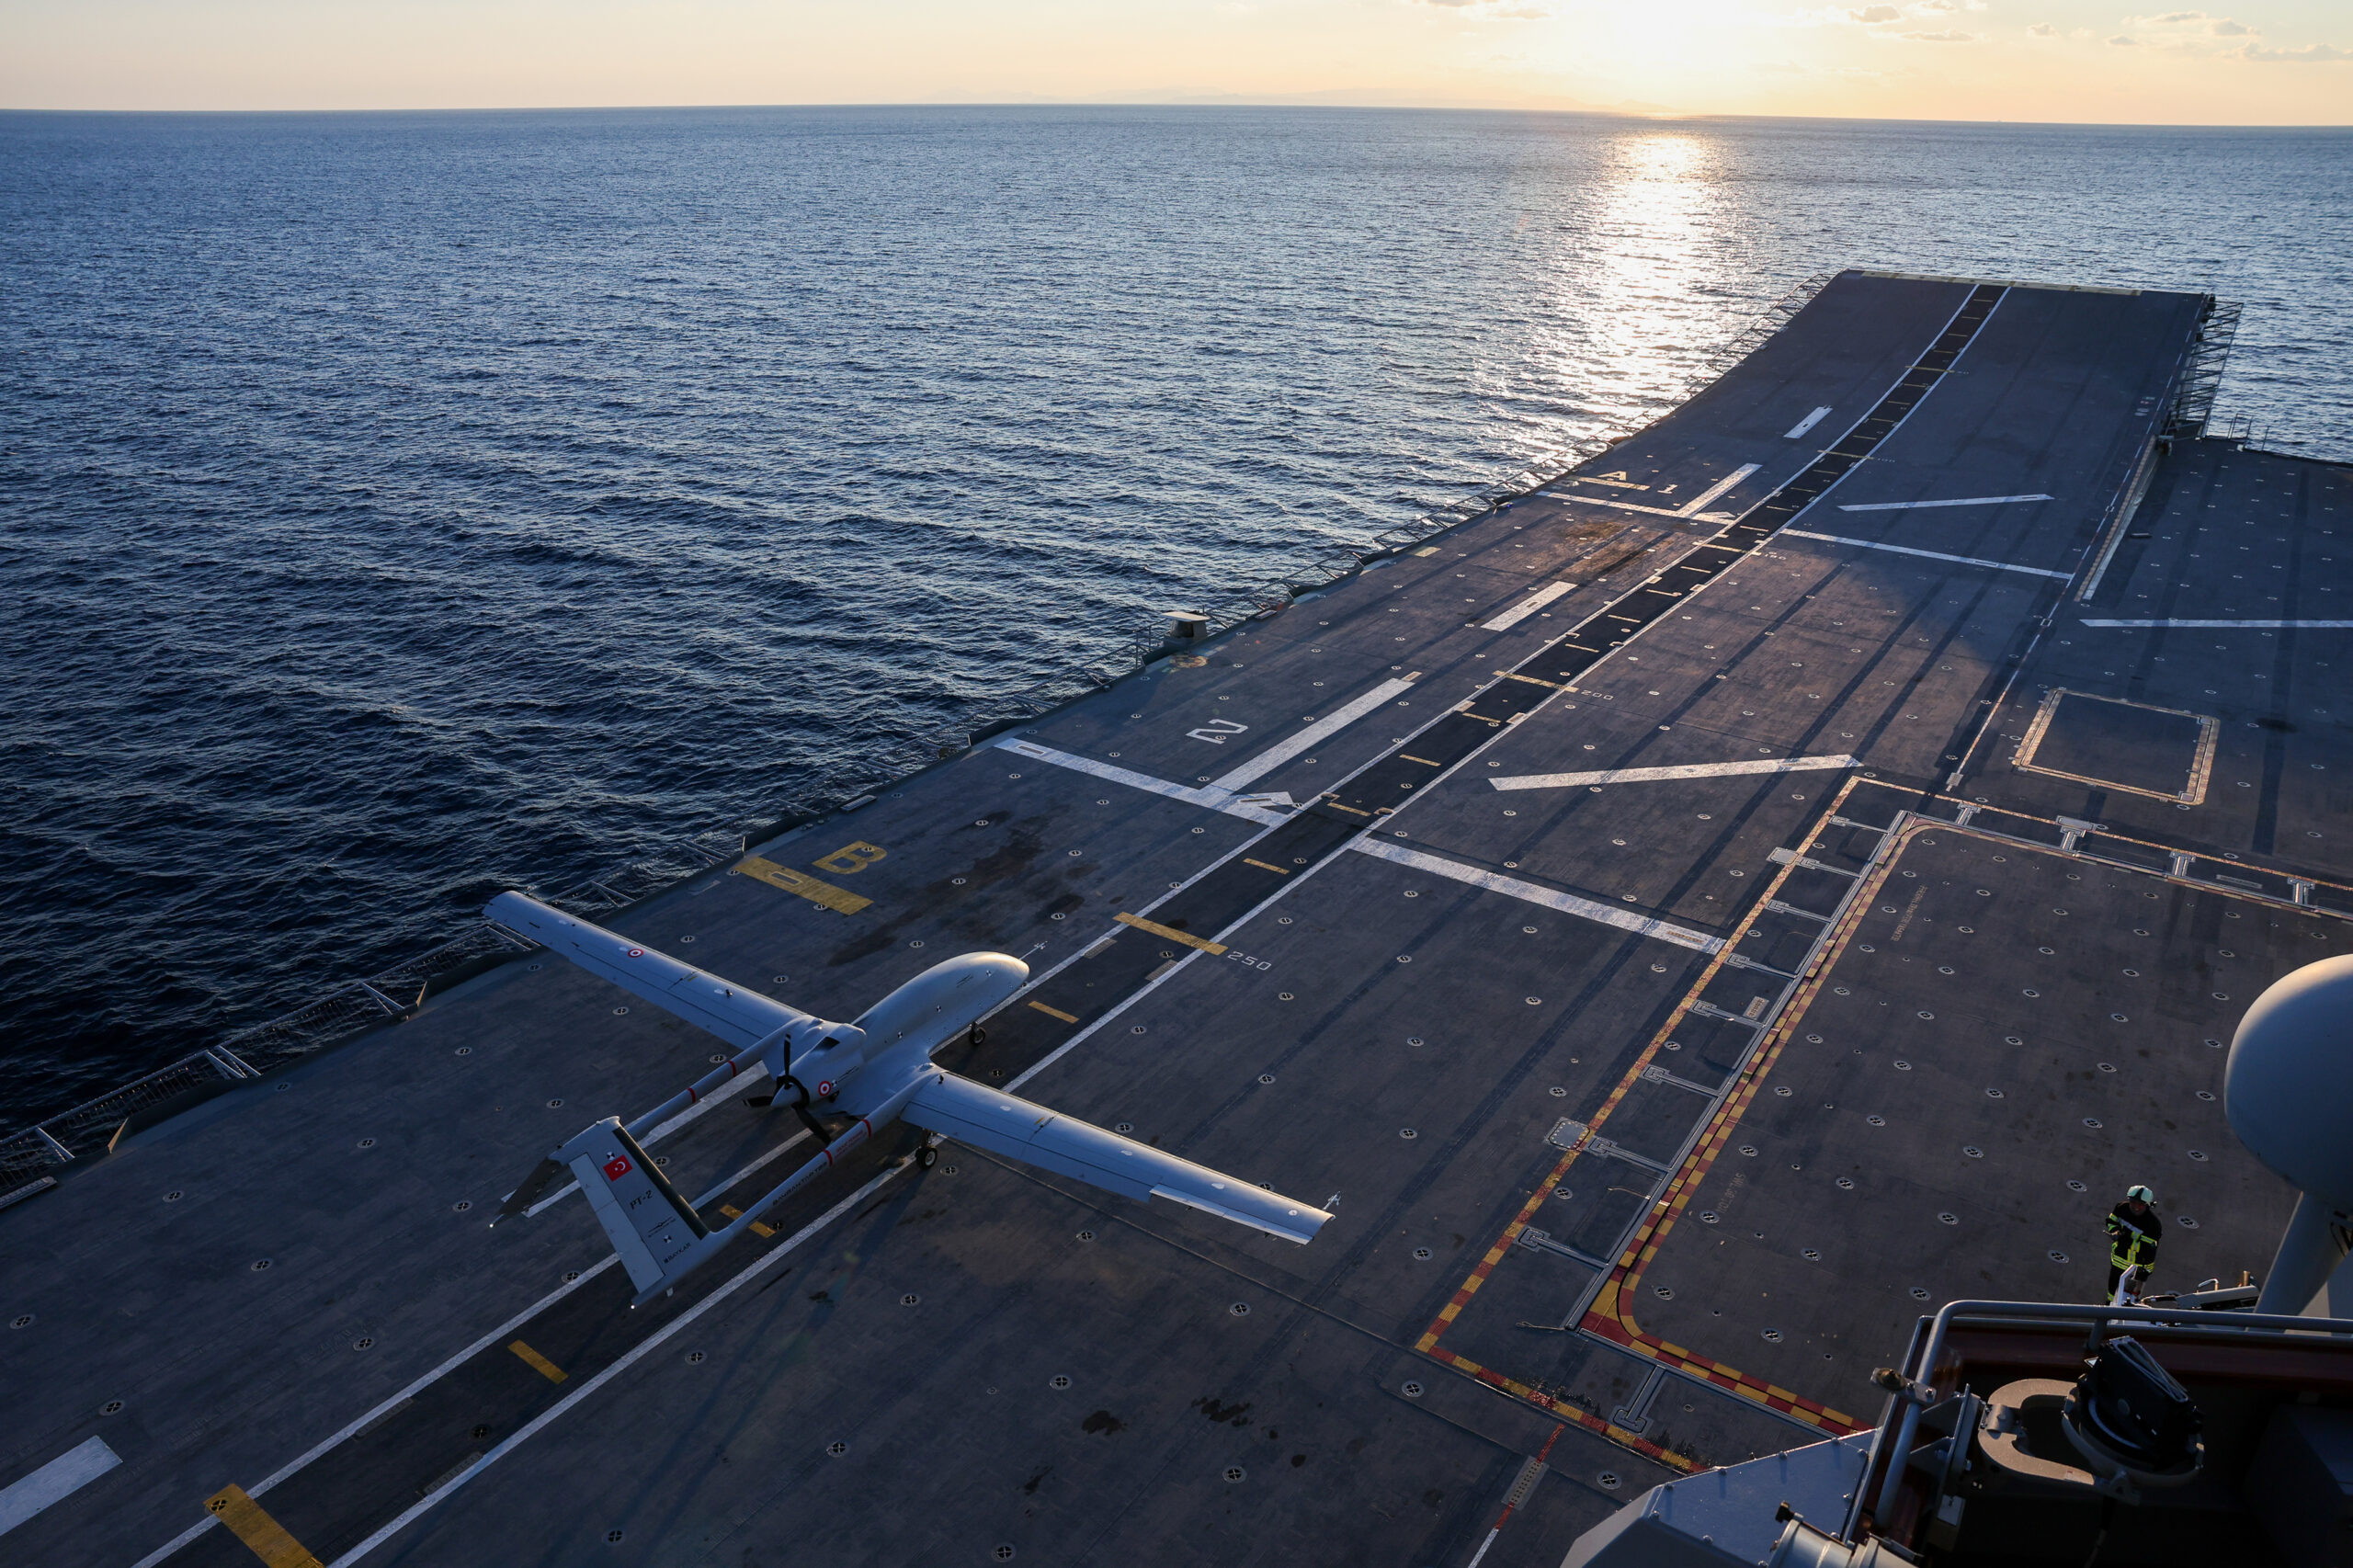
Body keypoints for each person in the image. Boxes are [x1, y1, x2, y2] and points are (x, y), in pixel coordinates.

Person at [2106, 1185, 2162, 1301]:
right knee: (2112, 1290)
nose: (2136, 1207)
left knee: (2129, 1298)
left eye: (2141, 1204)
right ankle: (2108, 1307)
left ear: (2147, 1205)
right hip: (2118, 1259)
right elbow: (2111, 1221)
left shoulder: (2153, 1224)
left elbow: (2148, 1249)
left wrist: (2124, 1236)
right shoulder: (2121, 1208)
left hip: (2138, 1267)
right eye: (2133, 1202)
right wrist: (2114, 1231)